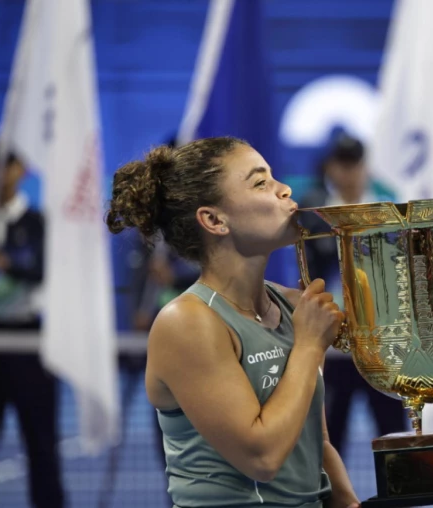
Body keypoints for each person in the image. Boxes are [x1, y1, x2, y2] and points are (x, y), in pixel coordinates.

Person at [105, 136, 359, 508]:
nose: (284, 189)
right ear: (213, 219)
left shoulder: (293, 307)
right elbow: (262, 457)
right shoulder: (187, 322)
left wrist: (349, 502)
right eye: (260, 182)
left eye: (273, 177)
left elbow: (314, 442)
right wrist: (307, 345)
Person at [298, 133, 406, 455]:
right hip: (335, 344)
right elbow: (309, 276)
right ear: (330, 168)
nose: (348, 173)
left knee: (394, 435)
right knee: (331, 434)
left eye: (354, 164)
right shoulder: (314, 214)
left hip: (380, 344)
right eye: (342, 165)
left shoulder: (387, 207)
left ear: (364, 166)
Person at [0, 142, 64, 508]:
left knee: (41, 442)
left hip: (29, 343)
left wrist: (0, 261)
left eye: (10, 165)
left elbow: (40, 270)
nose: (2, 172)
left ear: (22, 171)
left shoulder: (37, 223)